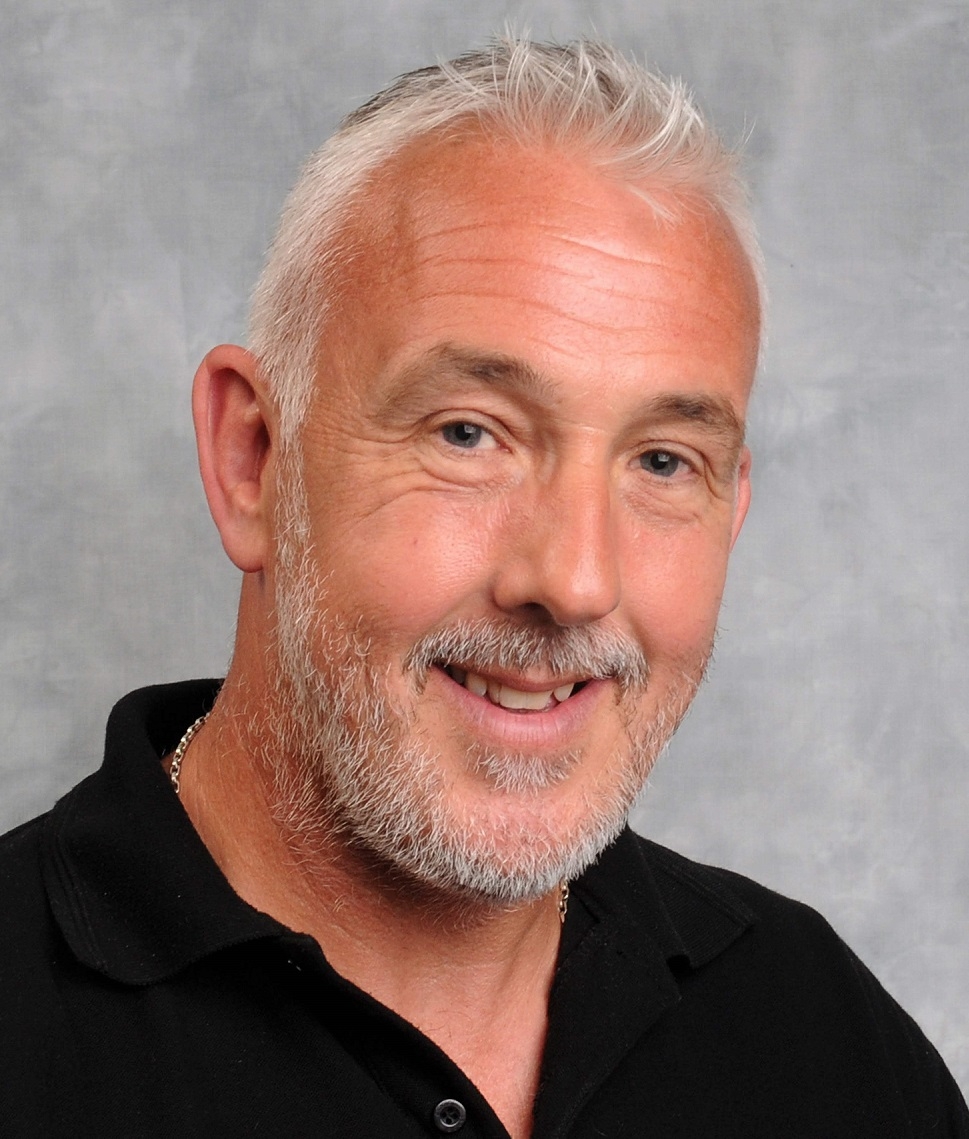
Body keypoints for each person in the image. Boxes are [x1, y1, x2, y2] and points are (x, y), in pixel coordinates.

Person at [1, 36, 965, 1139]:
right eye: (470, 434)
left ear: (732, 505)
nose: (575, 580)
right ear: (253, 460)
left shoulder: (821, 1036)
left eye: (662, 461)